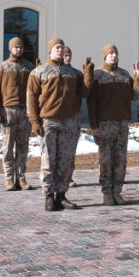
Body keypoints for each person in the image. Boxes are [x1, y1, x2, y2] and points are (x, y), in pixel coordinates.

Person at [27, 38, 88, 211]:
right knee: (48, 161)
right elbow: (31, 97)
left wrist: (88, 76)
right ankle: (48, 196)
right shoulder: (39, 72)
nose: (60, 51)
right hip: (48, 121)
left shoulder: (73, 73)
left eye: (62, 48)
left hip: (69, 121)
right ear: (50, 51)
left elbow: (84, 92)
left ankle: (61, 195)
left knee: (66, 160)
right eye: (57, 48)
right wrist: (34, 121)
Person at [84, 44, 139, 206]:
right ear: (105, 56)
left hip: (122, 123)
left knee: (121, 159)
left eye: (115, 53)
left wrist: (137, 78)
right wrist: (94, 126)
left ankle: (117, 191)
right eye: (110, 53)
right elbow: (91, 103)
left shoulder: (124, 75)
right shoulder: (98, 75)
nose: (114, 56)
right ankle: (106, 192)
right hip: (104, 124)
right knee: (106, 159)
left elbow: (135, 96)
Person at [0, 37, 36, 191]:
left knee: (23, 146)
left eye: (20, 47)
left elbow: (35, 91)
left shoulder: (29, 68)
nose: (18, 49)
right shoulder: (2, 67)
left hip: (25, 111)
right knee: (8, 146)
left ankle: (21, 177)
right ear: (10, 49)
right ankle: (9, 178)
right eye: (16, 47)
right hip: (8, 111)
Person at [62, 46, 82, 187]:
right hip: (57, 117)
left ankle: (68, 177)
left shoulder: (77, 74)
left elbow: (84, 91)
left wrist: (88, 76)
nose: (67, 58)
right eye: (64, 55)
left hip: (73, 117)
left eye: (69, 55)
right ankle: (57, 177)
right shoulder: (54, 72)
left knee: (70, 150)